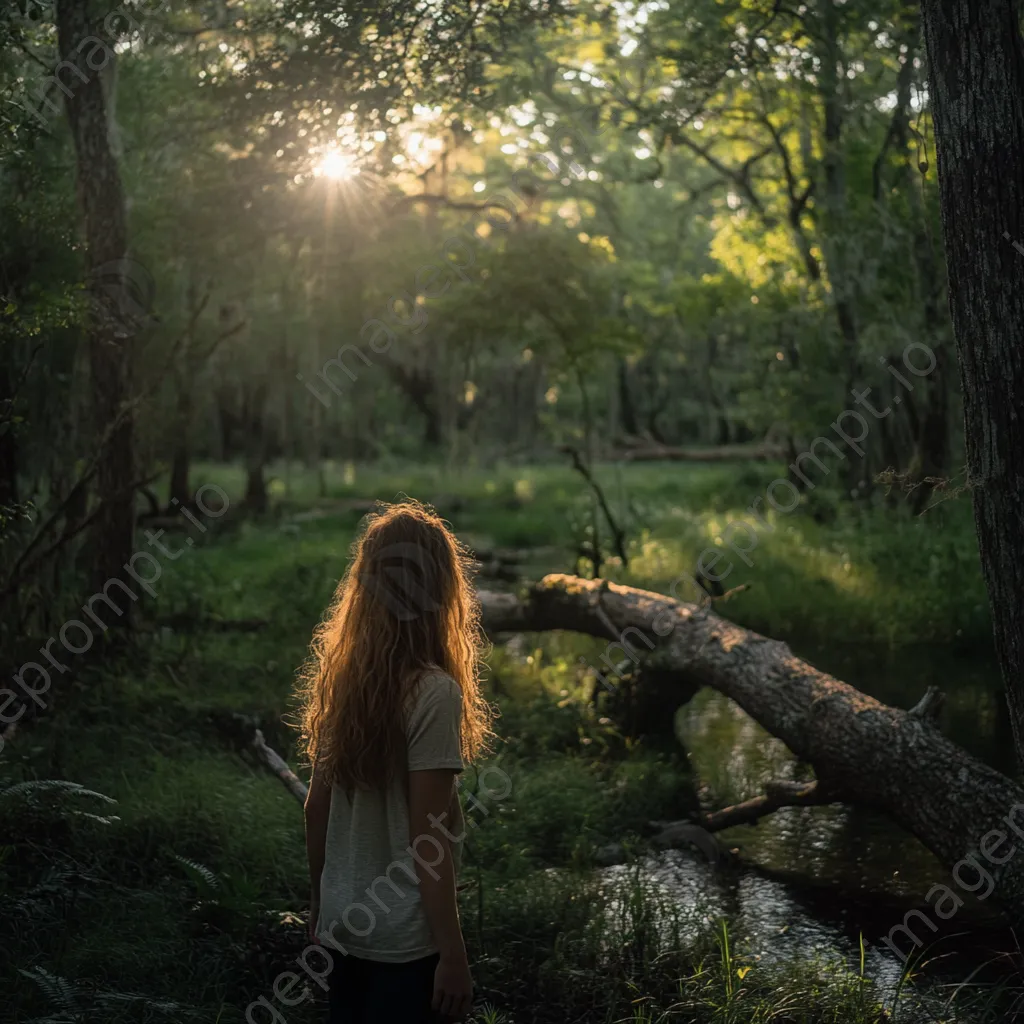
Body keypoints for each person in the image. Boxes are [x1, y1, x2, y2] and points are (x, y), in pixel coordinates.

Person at [297, 500, 492, 1023]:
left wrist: (320, 900)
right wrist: (453, 954)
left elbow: (316, 808)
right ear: (444, 591)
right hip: (403, 943)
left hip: (341, 924)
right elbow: (427, 843)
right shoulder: (434, 692)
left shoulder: (343, 679)